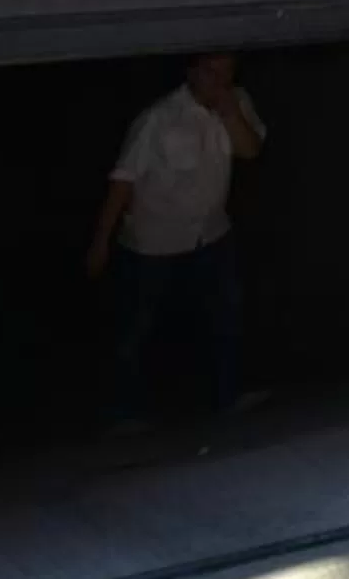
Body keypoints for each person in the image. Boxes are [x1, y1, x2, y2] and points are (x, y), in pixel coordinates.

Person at [90, 52, 265, 424]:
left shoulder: (237, 101)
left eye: (227, 72)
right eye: (211, 71)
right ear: (192, 72)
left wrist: (230, 112)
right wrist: (101, 241)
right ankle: (122, 411)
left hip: (211, 232)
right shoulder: (158, 118)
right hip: (153, 241)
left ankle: (227, 396)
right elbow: (122, 181)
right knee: (137, 326)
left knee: (226, 311)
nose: (219, 80)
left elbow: (250, 150)